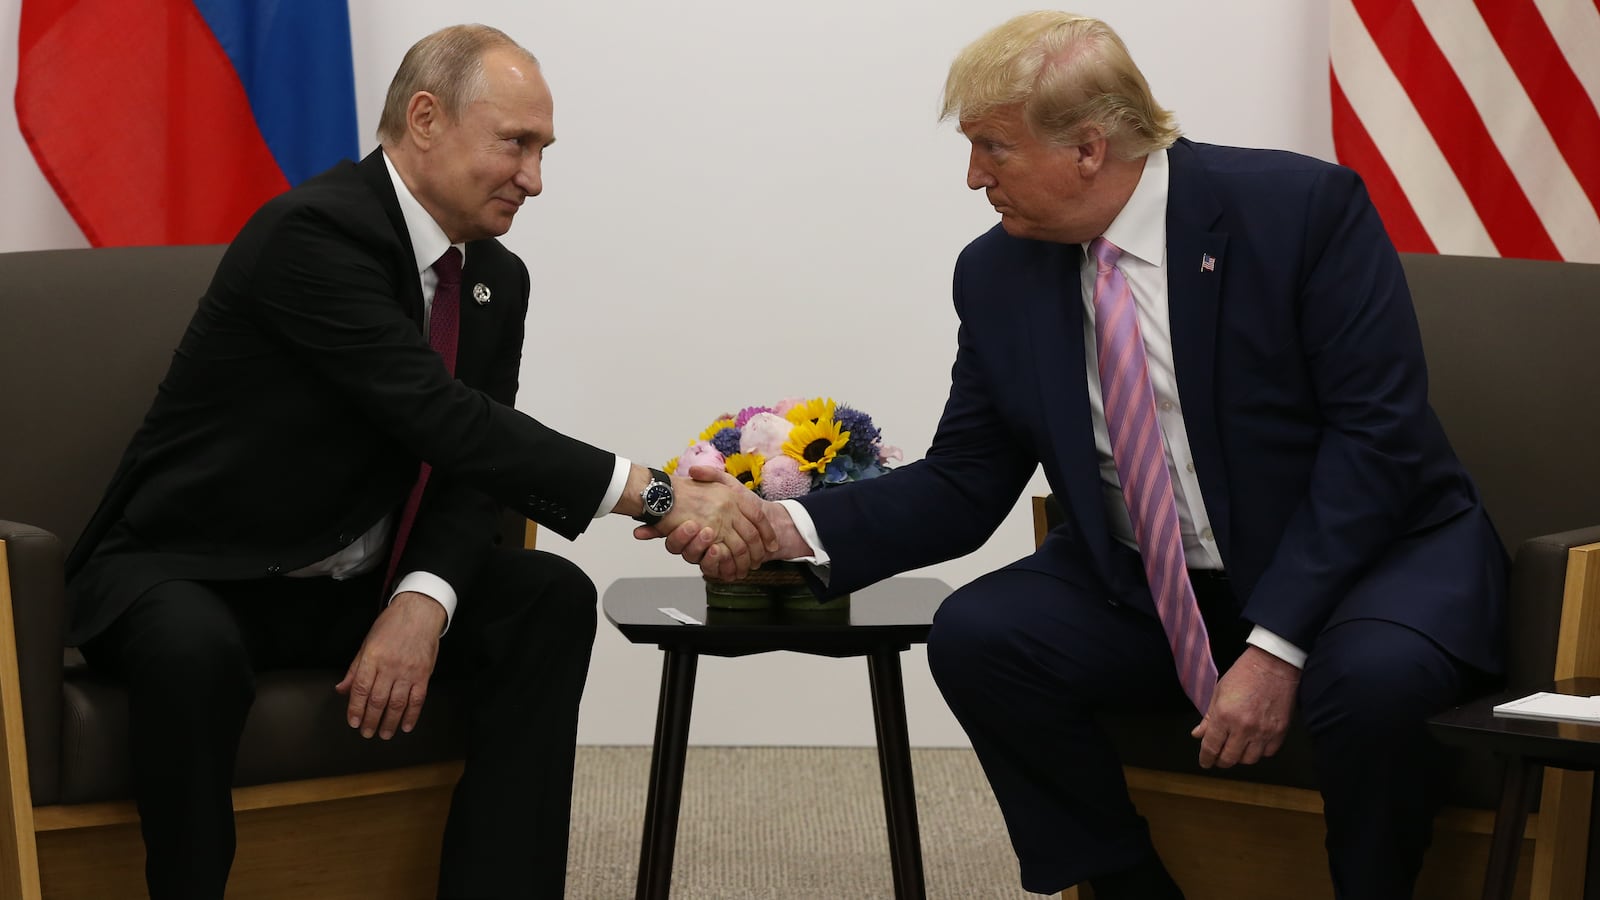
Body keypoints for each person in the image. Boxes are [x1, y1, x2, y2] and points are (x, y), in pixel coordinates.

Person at [658, 11, 1506, 899]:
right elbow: (964, 481)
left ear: (1090, 148)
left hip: (1365, 565)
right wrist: (777, 525)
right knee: (983, 637)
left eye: (992, 148)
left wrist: (1277, 644)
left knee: (1373, 684)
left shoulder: (1298, 211)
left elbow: (1377, 442)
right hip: (1161, 584)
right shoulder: (997, 273)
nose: (973, 177)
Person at [65, 24, 773, 900]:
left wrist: (422, 599)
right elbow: (444, 419)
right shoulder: (312, 234)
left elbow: (477, 469)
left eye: (543, 150)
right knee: (193, 652)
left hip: (349, 581)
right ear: (427, 119)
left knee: (545, 600)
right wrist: (654, 494)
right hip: (198, 569)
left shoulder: (494, 280)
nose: (534, 178)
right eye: (516, 144)